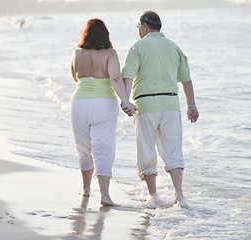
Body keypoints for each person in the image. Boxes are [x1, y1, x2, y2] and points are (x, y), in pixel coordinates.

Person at [121, 11, 199, 206]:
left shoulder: (137, 47)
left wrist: (126, 101)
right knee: (173, 150)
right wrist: (191, 105)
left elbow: (127, 77)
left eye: (138, 26)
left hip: (146, 105)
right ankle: (179, 195)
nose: (138, 29)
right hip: (171, 105)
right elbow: (186, 80)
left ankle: (153, 196)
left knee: (146, 150)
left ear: (145, 26)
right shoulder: (174, 47)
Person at [70, 18, 136, 206]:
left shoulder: (77, 53)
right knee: (102, 150)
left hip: (79, 103)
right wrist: (126, 102)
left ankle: (86, 189)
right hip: (103, 104)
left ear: (86, 34)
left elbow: (75, 77)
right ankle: (105, 196)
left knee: (83, 149)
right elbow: (115, 78)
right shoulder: (110, 53)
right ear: (106, 34)